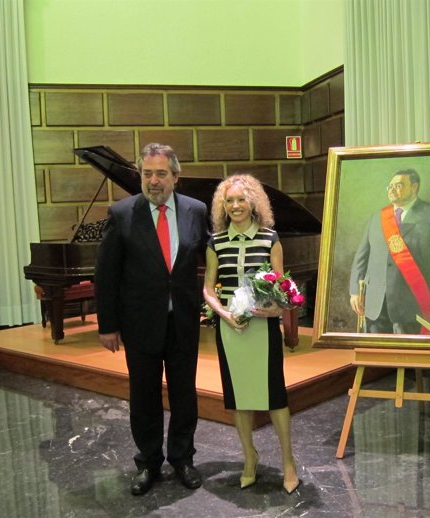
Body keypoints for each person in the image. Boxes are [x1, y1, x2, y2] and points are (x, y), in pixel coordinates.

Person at [95, 143, 208, 496]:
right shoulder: (122, 213)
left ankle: (182, 458)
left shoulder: (196, 210)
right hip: (140, 323)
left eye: (161, 173)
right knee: (143, 396)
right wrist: (107, 325)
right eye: (147, 173)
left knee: (184, 394)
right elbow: (107, 274)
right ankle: (148, 462)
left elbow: (213, 257)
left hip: (183, 323)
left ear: (175, 176)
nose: (153, 180)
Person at [203, 174, 300, 494]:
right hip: (231, 331)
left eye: (240, 200)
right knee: (238, 398)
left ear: (253, 202)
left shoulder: (270, 238)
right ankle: (249, 458)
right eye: (228, 201)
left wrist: (276, 310)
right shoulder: (215, 242)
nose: (235, 206)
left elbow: (282, 290)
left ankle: (288, 462)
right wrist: (224, 314)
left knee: (275, 397)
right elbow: (208, 290)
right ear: (223, 206)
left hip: (263, 328)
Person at [349, 168, 430, 334]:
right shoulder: (376, 217)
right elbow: (361, 257)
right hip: (375, 303)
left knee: (407, 356)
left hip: (411, 303)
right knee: (375, 355)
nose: (392, 190)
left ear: (414, 187)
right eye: (389, 186)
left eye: (398, 185)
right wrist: (355, 291)